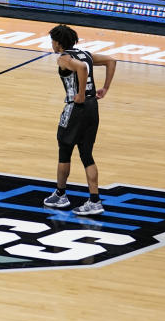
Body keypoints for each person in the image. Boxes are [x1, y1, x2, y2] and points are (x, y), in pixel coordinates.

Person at [42, 24, 116, 216]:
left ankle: (60, 194)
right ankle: (94, 200)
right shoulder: (85, 54)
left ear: (58, 43)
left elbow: (81, 69)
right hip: (93, 108)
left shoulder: (64, 59)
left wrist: (81, 94)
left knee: (64, 150)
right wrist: (105, 88)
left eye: (52, 41)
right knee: (86, 154)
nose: (52, 44)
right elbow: (111, 60)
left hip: (76, 107)